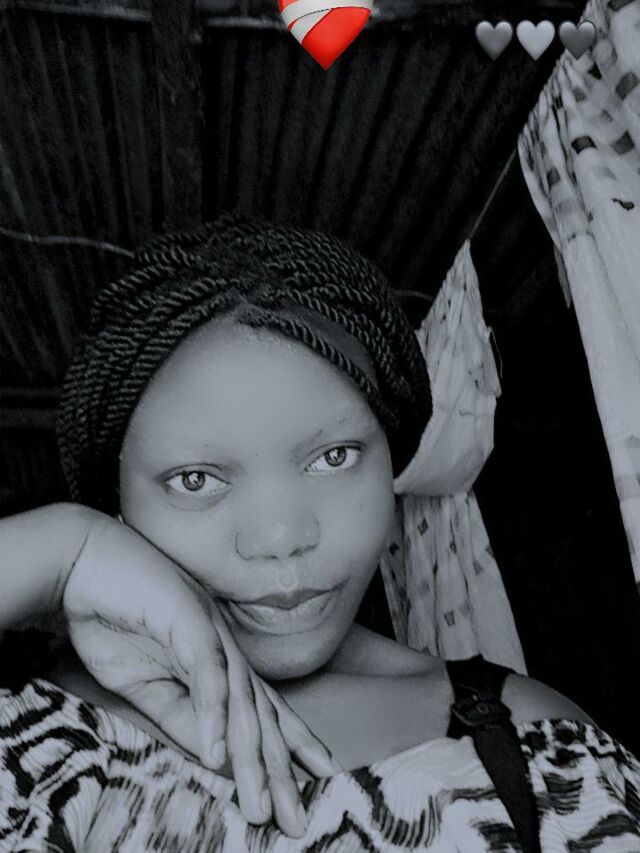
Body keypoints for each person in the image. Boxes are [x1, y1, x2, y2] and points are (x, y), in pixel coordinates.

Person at [0, 213, 638, 852]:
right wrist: (64, 550)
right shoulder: (25, 722)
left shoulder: (533, 742)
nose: (280, 537)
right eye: (195, 480)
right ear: (116, 505)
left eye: (334, 457)